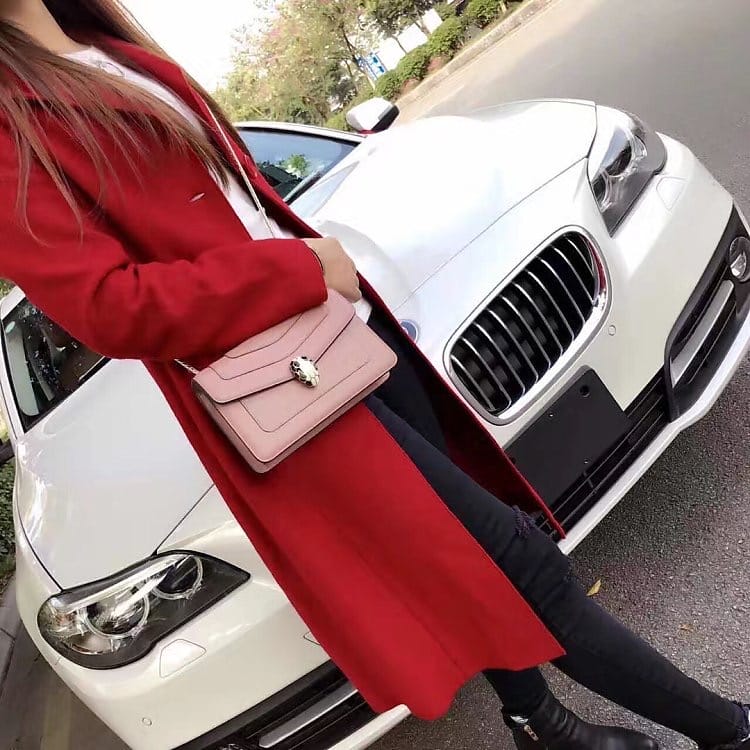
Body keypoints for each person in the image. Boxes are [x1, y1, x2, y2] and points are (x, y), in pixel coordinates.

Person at [0, 2, 746, 749]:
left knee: (465, 565)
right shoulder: (10, 123)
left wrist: (315, 268)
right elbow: (111, 307)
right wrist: (297, 268)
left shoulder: (102, 47)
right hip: (286, 382)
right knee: (521, 559)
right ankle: (727, 729)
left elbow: (228, 201)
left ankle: (540, 725)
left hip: (346, 329)